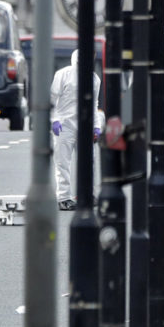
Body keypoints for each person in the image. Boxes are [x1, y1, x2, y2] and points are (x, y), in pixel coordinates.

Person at [50, 49, 103, 210]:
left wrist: (96, 126)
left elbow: (94, 104)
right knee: (63, 162)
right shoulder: (63, 74)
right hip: (64, 126)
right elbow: (52, 98)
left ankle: (86, 194)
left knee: (89, 162)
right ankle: (63, 197)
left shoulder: (94, 79)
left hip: (85, 125)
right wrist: (54, 120)